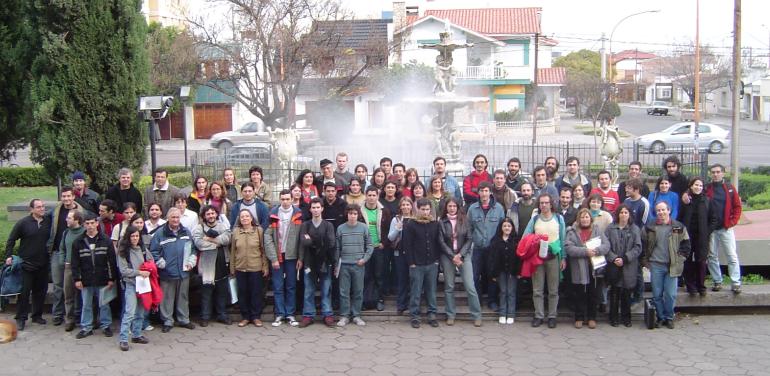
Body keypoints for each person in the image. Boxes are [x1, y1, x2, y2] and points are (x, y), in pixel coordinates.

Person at [641, 201, 691, 329]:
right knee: (657, 294)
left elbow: (686, 245)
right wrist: (645, 261)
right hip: (656, 265)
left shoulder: (678, 227)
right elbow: (642, 244)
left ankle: (669, 317)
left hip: (672, 265)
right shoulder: (649, 227)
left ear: (669, 210)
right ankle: (660, 317)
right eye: (658, 210)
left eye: (663, 210)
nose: (661, 213)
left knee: (670, 294)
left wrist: (680, 259)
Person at [5, 199, 51, 331]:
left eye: (43, 206)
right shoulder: (23, 223)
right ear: (31, 209)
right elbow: (11, 239)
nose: (42, 209)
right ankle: (21, 318)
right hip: (26, 264)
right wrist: (8, 255)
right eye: (38, 207)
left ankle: (37, 315)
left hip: (43, 264)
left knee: (40, 292)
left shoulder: (48, 222)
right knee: (24, 293)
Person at [523, 193, 567, 329]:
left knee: (553, 290)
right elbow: (526, 236)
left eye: (546, 203)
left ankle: (552, 316)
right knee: (537, 289)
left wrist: (563, 257)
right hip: (537, 258)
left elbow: (563, 239)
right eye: (541, 203)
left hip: (554, 257)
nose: (543, 205)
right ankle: (539, 315)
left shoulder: (559, 219)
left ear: (551, 204)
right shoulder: (535, 219)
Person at [150, 208, 197, 333]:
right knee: (167, 298)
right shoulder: (160, 233)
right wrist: (161, 263)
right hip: (167, 272)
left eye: (177, 217)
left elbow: (192, 249)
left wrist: (191, 261)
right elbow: (153, 251)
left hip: (184, 271)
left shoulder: (186, 231)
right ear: (168, 219)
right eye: (173, 217)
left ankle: (184, 319)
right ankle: (167, 320)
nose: (176, 220)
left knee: (183, 296)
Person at [437, 197, 482, 326]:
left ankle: (476, 315)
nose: (452, 209)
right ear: (446, 207)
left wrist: (460, 255)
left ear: (458, 207)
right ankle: (450, 314)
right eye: (449, 206)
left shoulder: (464, 220)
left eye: (454, 206)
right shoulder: (442, 222)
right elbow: (441, 242)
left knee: (470, 286)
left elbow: (469, 239)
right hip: (448, 256)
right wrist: (453, 256)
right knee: (449, 287)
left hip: (464, 255)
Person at [72, 213, 117, 339]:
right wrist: (77, 279)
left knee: (104, 304)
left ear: (97, 223)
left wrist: (111, 278)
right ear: (83, 225)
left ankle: (106, 325)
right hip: (86, 279)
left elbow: (111, 261)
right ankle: (86, 327)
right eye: (87, 223)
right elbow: (75, 263)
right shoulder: (78, 242)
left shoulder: (106, 240)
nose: (90, 226)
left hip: (102, 278)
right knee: (86, 304)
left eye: (92, 223)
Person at [564, 208, 610, 329]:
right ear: (578, 219)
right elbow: (569, 248)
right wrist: (585, 251)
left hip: (595, 268)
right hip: (579, 268)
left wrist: (596, 251)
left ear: (590, 218)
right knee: (579, 293)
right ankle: (579, 317)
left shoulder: (597, 230)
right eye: (582, 217)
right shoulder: (572, 231)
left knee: (593, 293)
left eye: (587, 217)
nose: (584, 219)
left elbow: (606, 245)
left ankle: (592, 317)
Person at [47, 187, 85, 327]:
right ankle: (58, 314)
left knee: (75, 290)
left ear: (73, 197)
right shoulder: (56, 210)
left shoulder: (81, 211)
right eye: (63, 196)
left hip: (75, 260)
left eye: (69, 196)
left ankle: (77, 316)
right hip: (58, 252)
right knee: (58, 286)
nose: (66, 199)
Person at [264, 189, 303, 327]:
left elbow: (302, 238)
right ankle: (280, 314)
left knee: (291, 286)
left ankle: (290, 314)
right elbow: (267, 236)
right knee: (278, 286)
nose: (285, 202)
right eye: (283, 199)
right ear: (279, 199)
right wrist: (273, 258)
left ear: (292, 199)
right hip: (278, 255)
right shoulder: (273, 213)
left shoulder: (299, 213)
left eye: (288, 199)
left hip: (292, 256)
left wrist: (300, 257)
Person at [403, 198, 442, 328]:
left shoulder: (434, 224)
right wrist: (411, 263)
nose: (425, 212)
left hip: (432, 263)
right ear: (417, 209)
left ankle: (432, 314)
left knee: (431, 291)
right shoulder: (411, 224)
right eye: (423, 209)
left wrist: (437, 261)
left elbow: (438, 243)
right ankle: (415, 315)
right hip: (416, 264)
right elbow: (407, 245)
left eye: (427, 209)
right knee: (416, 290)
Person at [298, 198, 337, 328]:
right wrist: (320, 241)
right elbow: (304, 242)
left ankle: (327, 314)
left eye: (317, 207)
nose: (315, 210)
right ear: (310, 209)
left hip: (325, 262)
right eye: (313, 207)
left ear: (322, 209)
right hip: (309, 261)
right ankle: (308, 315)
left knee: (326, 289)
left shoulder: (328, 225)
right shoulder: (305, 225)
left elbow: (331, 243)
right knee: (309, 290)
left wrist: (312, 240)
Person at [466, 181, 506, 311]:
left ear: (490, 192)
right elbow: (469, 228)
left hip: (492, 249)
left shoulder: (498, 208)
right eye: (481, 190)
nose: (484, 193)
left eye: (486, 191)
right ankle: (477, 300)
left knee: (492, 275)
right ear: (478, 192)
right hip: (477, 248)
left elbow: (502, 227)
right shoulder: (472, 208)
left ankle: (492, 301)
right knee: (475, 275)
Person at [704, 164, 743, 294]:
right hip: (712, 229)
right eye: (713, 172)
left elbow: (737, 207)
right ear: (710, 174)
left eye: (718, 172)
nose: (715, 174)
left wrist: (732, 222)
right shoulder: (707, 188)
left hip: (726, 228)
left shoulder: (730, 189)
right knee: (712, 256)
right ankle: (717, 281)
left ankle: (736, 282)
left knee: (732, 256)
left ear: (723, 173)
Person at [192, 205, 232, 327]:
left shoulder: (223, 226)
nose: (211, 216)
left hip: (222, 262)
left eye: (213, 213)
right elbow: (199, 244)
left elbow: (226, 240)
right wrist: (216, 244)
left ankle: (222, 315)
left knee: (222, 291)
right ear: (204, 216)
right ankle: (205, 316)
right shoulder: (199, 228)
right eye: (208, 214)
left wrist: (209, 239)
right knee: (206, 291)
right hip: (207, 264)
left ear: (216, 214)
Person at [604, 205, 642, 327]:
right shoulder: (610, 228)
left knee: (626, 293)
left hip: (628, 265)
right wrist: (614, 258)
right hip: (614, 265)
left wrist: (625, 258)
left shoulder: (634, 229)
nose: (624, 215)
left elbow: (638, 247)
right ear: (618, 214)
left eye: (626, 212)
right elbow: (605, 245)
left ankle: (626, 318)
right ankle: (613, 318)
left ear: (629, 214)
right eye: (621, 212)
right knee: (614, 292)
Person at [230, 209, 269, 327]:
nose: (245, 218)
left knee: (256, 293)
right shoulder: (236, 231)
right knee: (243, 293)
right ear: (239, 219)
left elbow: (263, 250)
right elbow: (232, 251)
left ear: (251, 218)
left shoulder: (259, 231)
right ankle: (245, 317)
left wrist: (265, 266)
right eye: (242, 217)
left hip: (255, 267)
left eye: (247, 216)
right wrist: (232, 267)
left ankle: (256, 316)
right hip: (240, 267)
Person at [336, 205, 373, 327]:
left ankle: (356, 315)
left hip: (359, 265)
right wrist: (337, 264)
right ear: (347, 214)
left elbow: (370, 245)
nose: (352, 216)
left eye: (355, 214)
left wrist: (364, 259)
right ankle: (344, 316)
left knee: (358, 291)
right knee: (343, 292)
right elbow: (337, 248)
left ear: (358, 215)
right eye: (350, 213)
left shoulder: (363, 228)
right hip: (344, 265)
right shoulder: (340, 228)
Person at [116, 226, 153, 351]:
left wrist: (149, 269)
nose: (135, 238)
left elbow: (151, 260)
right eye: (132, 236)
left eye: (137, 236)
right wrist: (139, 272)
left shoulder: (142, 249)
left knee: (140, 311)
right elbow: (124, 270)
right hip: (131, 284)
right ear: (128, 237)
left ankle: (137, 334)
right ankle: (124, 339)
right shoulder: (123, 252)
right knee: (130, 312)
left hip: (142, 284)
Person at [679, 177, 718, 296]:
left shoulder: (707, 200)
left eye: (701, 186)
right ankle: (690, 286)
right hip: (687, 236)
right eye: (696, 185)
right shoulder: (686, 200)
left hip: (702, 236)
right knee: (688, 260)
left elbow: (714, 219)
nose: (698, 187)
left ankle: (701, 286)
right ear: (691, 186)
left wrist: (707, 232)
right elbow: (680, 217)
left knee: (701, 261)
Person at [361, 186, 392, 311]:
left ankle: (379, 299)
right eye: (369, 195)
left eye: (374, 195)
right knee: (365, 275)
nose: (372, 198)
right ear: (366, 196)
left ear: (378, 196)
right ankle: (365, 300)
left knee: (379, 274)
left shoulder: (384, 211)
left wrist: (383, 243)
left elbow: (390, 229)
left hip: (379, 248)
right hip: (365, 249)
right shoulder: (360, 211)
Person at [486, 218, 521, 325]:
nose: (507, 228)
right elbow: (491, 258)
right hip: (500, 271)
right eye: (504, 226)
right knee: (503, 292)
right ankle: (502, 313)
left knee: (511, 292)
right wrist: (492, 273)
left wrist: (519, 271)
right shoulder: (495, 241)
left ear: (512, 228)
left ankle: (510, 314)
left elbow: (520, 257)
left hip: (512, 271)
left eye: (509, 226)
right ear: (501, 228)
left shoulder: (516, 240)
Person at [58, 210, 85, 332]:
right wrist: (62, 261)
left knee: (85, 295)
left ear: (77, 220)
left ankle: (86, 320)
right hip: (68, 267)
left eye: (69, 218)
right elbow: (62, 249)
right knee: (68, 295)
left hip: (83, 268)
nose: (66, 220)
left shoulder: (84, 233)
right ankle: (69, 320)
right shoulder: (66, 233)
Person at [387, 197, 415, 315]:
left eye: (407, 205)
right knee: (402, 279)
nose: (405, 207)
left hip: (414, 254)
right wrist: (397, 229)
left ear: (411, 206)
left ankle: (412, 304)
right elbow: (390, 238)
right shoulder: (396, 219)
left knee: (413, 280)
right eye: (403, 205)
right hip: (400, 254)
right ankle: (401, 304)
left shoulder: (416, 219)